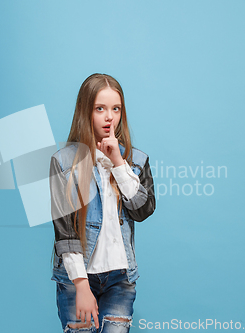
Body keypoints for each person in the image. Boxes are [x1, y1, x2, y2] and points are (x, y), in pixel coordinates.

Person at [49, 73, 156, 332]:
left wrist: (118, 163)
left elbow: (143, 209)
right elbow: (65, 232)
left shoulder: (136, 161)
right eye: (100, 108)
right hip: (77, 279)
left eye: (116, 109)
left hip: (120, 278)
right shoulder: (64, 162)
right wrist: (81, 285)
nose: (110, 117)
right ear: (86, 111)